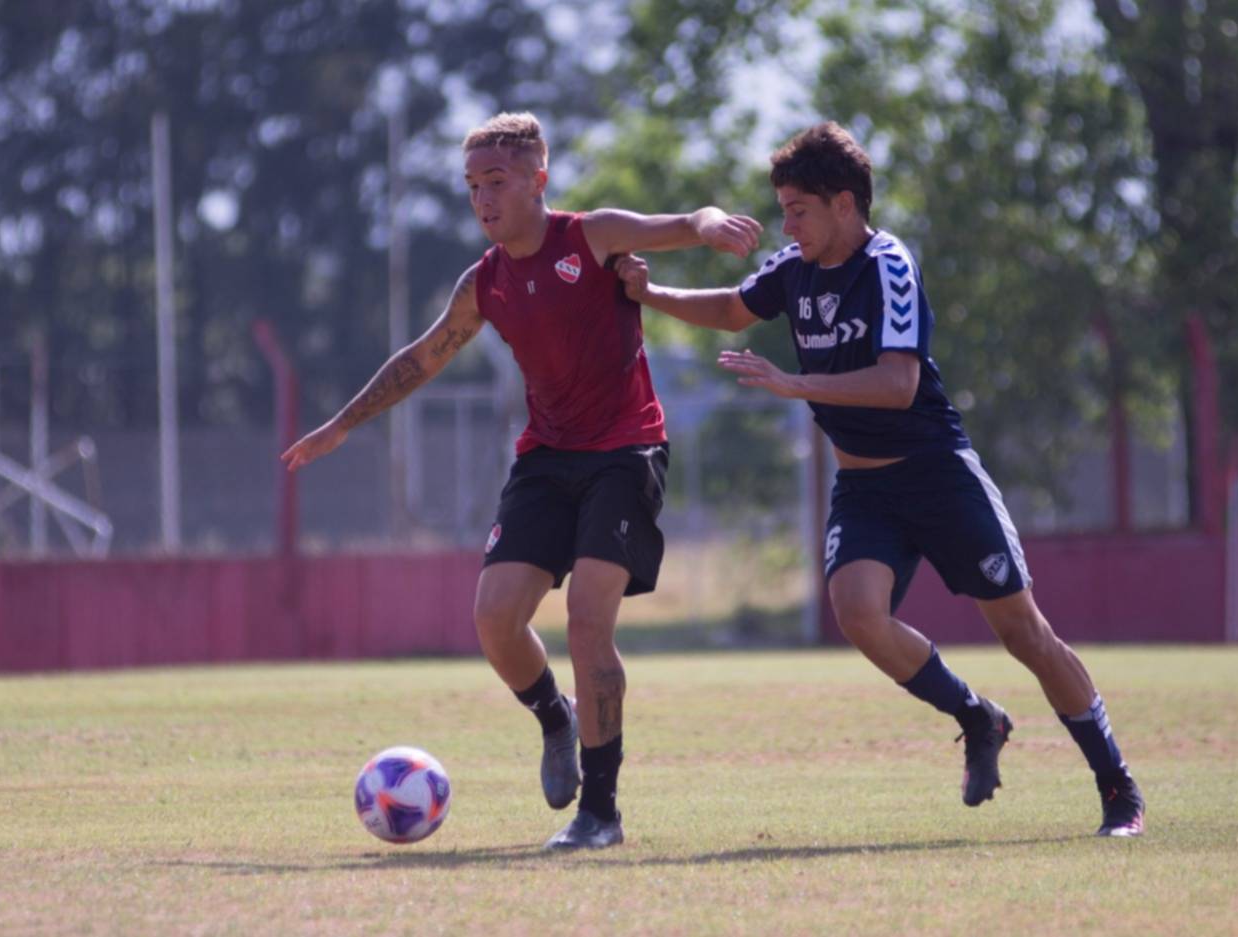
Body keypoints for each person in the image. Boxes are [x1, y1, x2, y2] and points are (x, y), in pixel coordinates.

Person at [614, 121, 1144, 837]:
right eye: (783, 210)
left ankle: (1118, 786)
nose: (786, 225)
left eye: (798, 210)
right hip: (864, 488)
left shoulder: (889, 265)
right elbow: (733, 308)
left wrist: (796, 384)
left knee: (1025, 634)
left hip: (938, 476)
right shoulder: (795, 267)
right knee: (858, 613)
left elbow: (898, 385)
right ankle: (977, 717)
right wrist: (649, 293)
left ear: (844, 204)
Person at [281, 112, 762, 850]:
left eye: (497, 182)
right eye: (472, 185)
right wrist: (342, 424)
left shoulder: (591, 236)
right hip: (546, 459)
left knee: (588, 622)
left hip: (625, 452)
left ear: (539, 180)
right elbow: (422, 357)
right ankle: (554, 716)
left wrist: (711, 224)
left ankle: (600, 812)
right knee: (495, 620)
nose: (483, 198)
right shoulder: (485, 283)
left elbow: (680, 224)